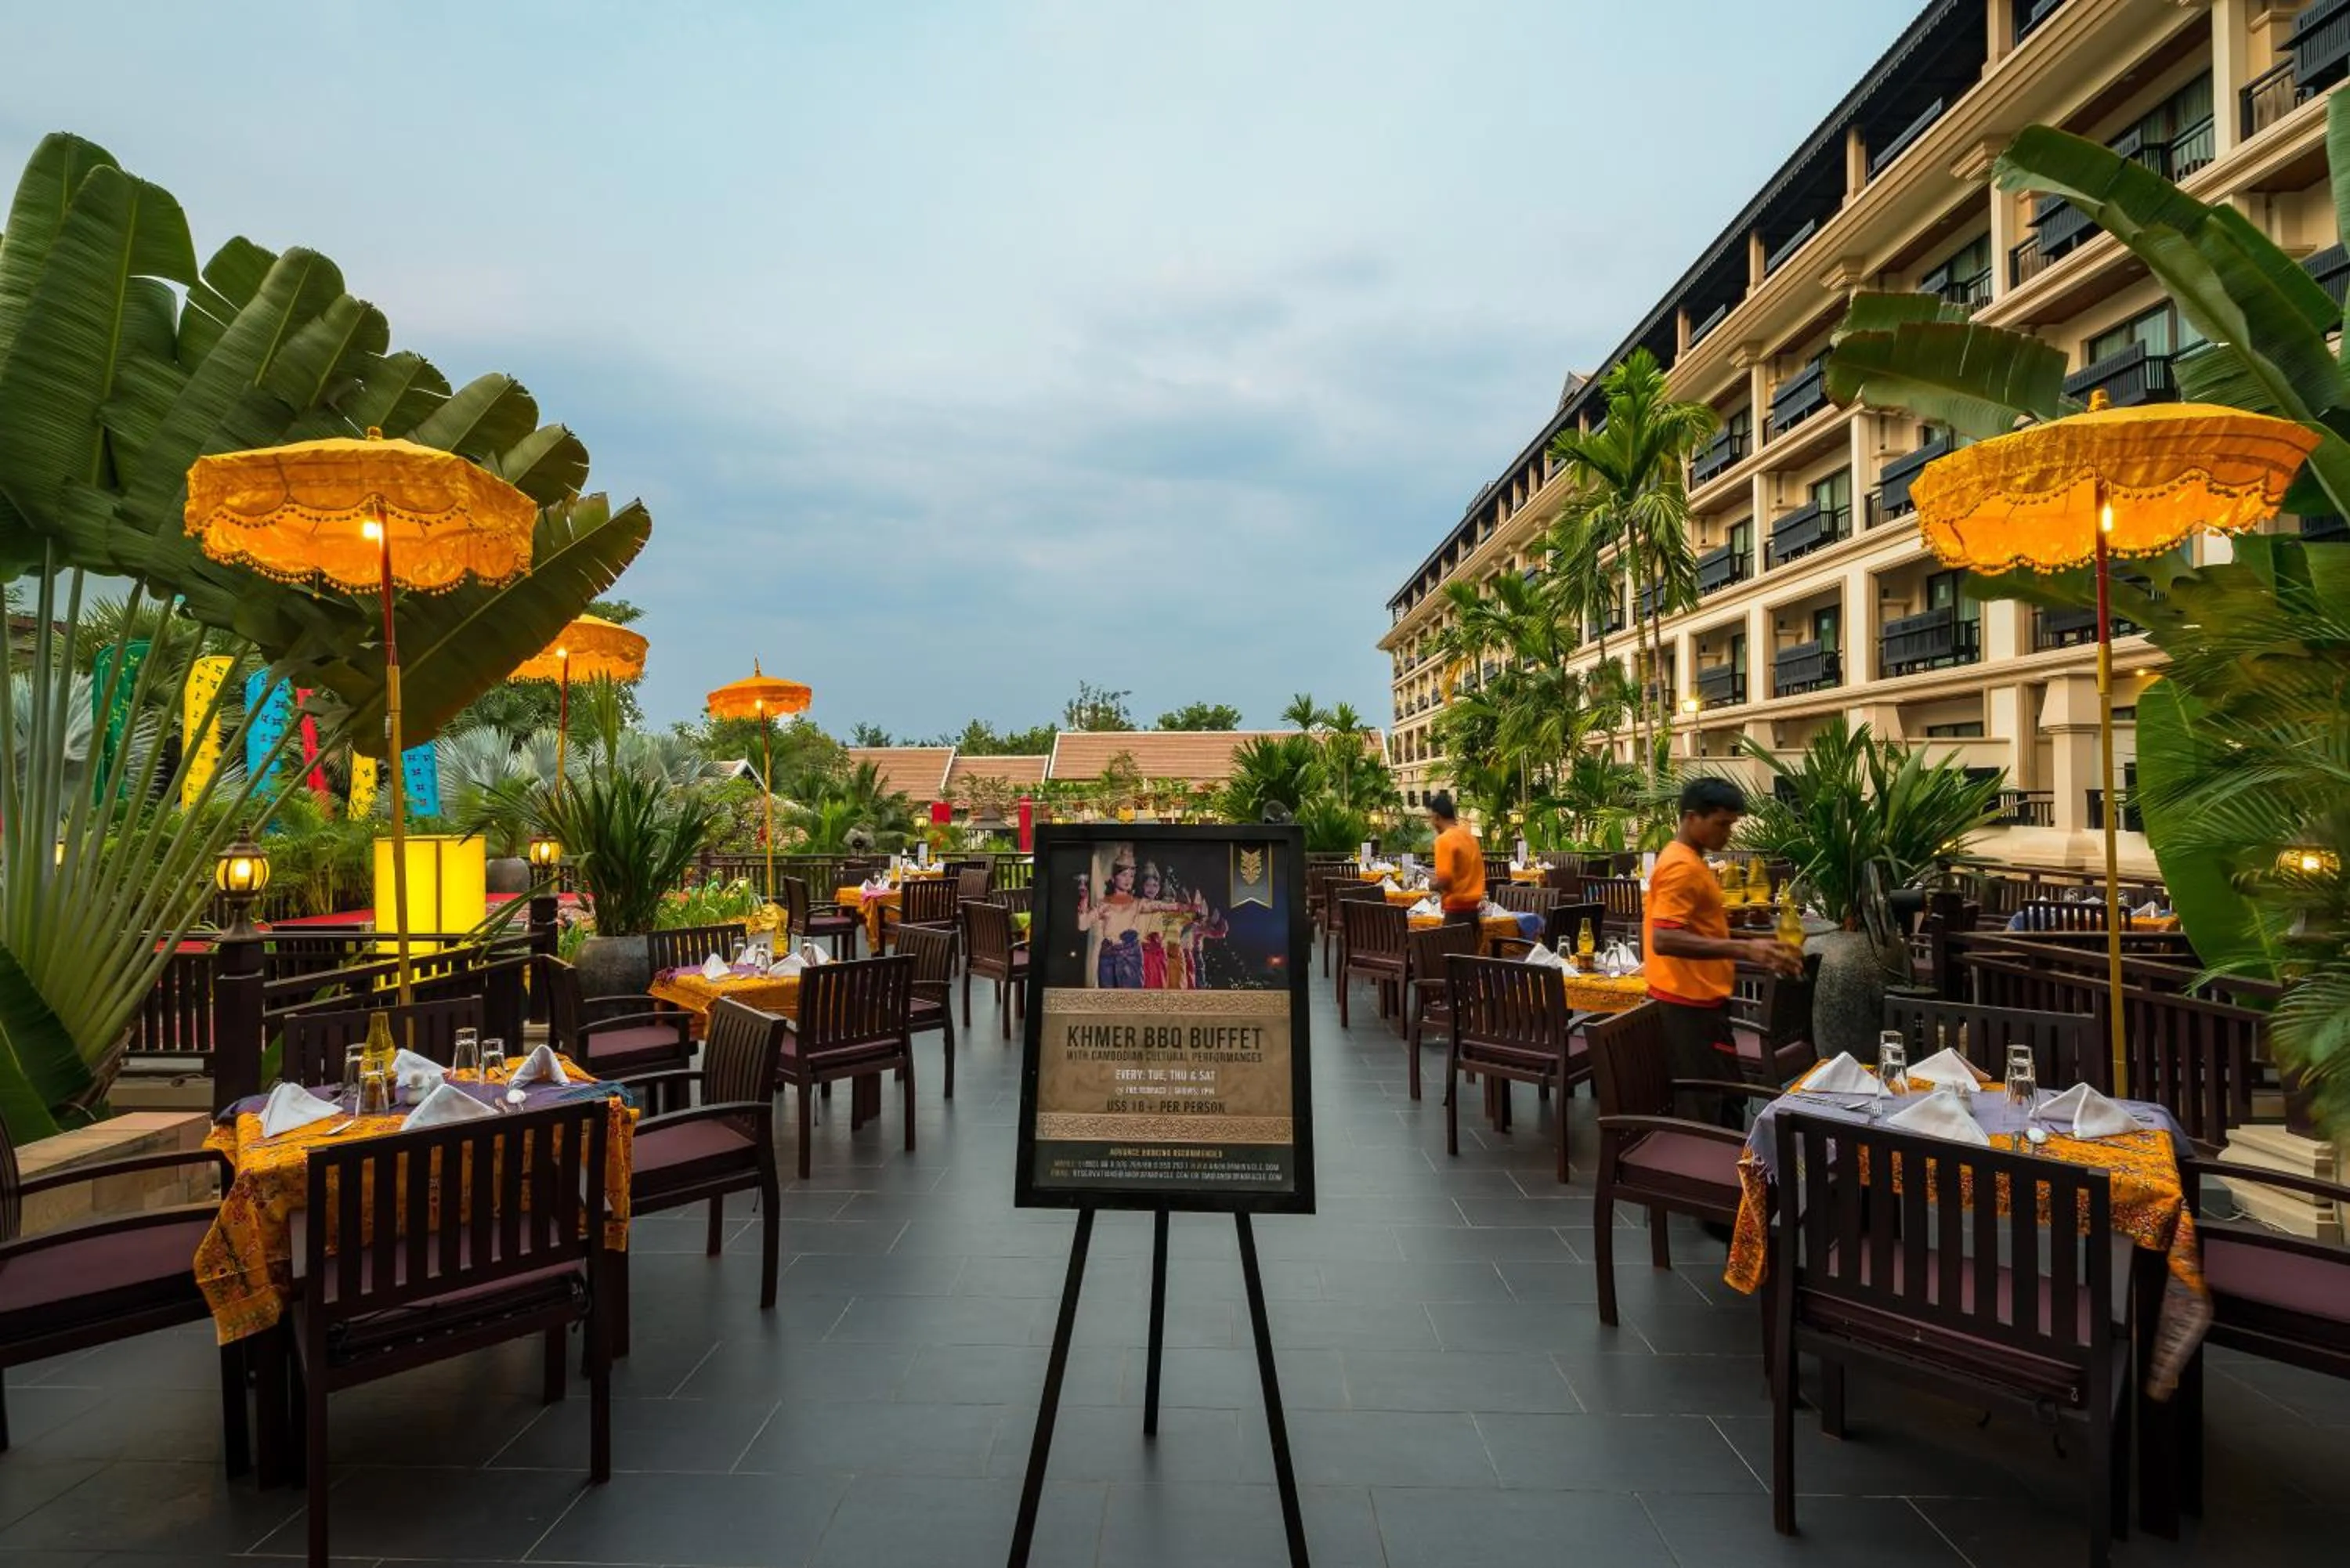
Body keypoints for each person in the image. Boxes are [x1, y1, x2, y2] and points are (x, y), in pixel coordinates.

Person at [1646, 778, 1803, 1129]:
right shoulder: (1680, 867)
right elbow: (1665, 940)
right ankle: (1703, 1179)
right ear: (1691, 818)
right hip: (1685, 1007)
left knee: (1728, 1100)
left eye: (1731, 825)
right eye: (1721, 824)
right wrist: (1746, 947)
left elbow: (1700, 930)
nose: (1727, 834)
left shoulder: (1692, 861)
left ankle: (1730, 1176)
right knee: (1702, 1107)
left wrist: (1753, 941)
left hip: (1702, 1002)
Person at [1426, 791, 1485, 931]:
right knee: (1469, 953)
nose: (1432, 824)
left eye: (1431, 819)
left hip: (1455, 914)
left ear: (1436, 817)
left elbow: (1445, 880)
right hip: (1474, 913)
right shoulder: (1471, 838)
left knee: (1449, 953)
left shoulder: (1444, 840)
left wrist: (1431, 884)